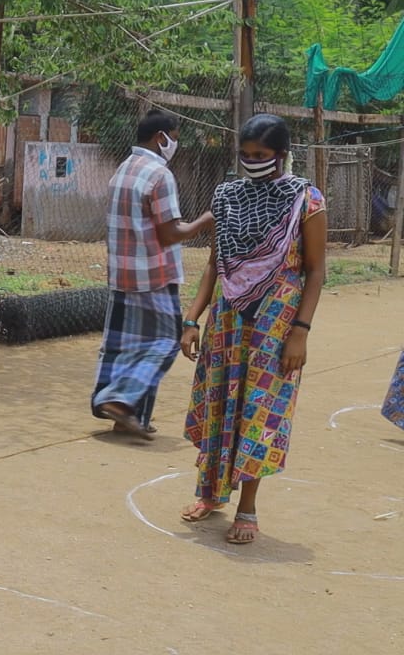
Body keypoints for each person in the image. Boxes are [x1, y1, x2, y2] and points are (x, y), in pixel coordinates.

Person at [179, 113, 327, 545]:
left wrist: (300, 330)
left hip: (276, 323)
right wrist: (192, 318)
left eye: (261, 155)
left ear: (281, 155)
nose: (252, 162)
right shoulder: (227, 196)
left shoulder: (307, 200)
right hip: (227, 319)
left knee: (259, 411)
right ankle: (209, 493)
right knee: (219, 401)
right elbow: (214, 264)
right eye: (245, 155)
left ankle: (247, 507)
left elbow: (316, 272)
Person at [92, 110, 213, 439]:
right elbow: (171, 233)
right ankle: (121, 400)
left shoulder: (124, 169)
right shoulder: (159, 175)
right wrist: (206, 220)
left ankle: (129, 417)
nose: (175, 143)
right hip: (153, 274)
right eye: (174, 136)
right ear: (162, 137)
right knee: (164, 342)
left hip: (123, 273)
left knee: (128, 344)